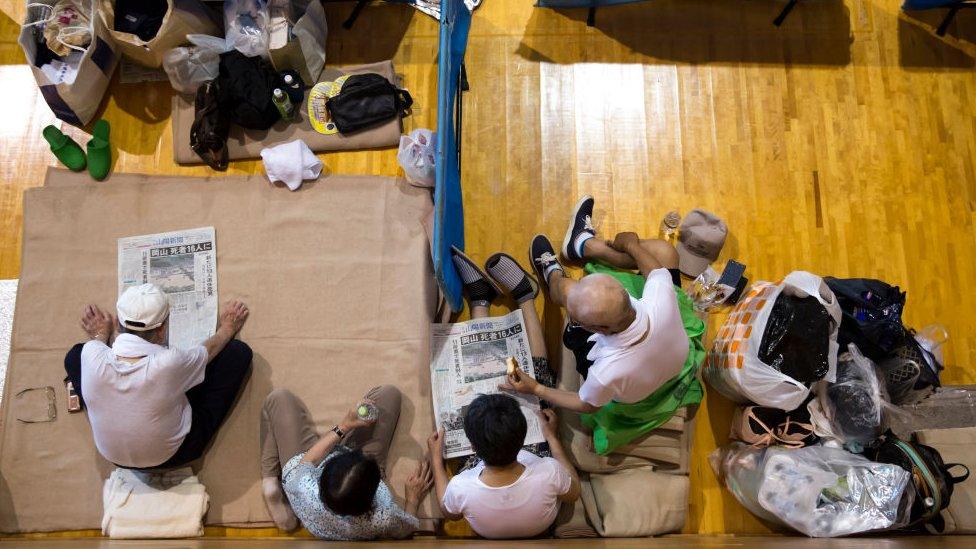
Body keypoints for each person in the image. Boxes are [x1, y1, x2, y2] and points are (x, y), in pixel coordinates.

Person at [506, 195, 705, 454]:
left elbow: (588, 405)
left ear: (599, 330)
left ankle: (552, 273)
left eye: (576, 318)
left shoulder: (605, 372)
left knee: (565, 289)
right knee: (664, 252)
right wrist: (632, 245)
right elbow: (656, 271)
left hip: (637, 381)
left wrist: (537, 388)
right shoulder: (660, 296)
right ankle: (584, 246)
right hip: (671, 362)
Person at [64, 283, 253, 469]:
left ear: (116, 323)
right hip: (175, 454)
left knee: (75, 356)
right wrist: (228, 327)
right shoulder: (169, 363)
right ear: (162, 330)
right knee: (237, 353)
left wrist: (100, 334)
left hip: (114, 457)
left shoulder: (92, 352)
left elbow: (96, 345)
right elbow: (209, 349)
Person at [259, 387, 433, 540]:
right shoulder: (383, 518)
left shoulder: (305, 488)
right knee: (390, 394)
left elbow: (309, 460)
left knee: (278, 397)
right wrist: (413, 499)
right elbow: (407, 528)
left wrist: (343, 426)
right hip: (349, 474)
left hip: (301, 465)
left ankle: (270, 481)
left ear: (322, 479)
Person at [427, 399, 580, 539]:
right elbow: (574, 493)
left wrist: (436, 459)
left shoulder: (460, 486)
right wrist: (552, 437)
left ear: (472, 447)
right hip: (539, 529)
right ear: (523, 441)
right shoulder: (549, 471)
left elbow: (449, 512)